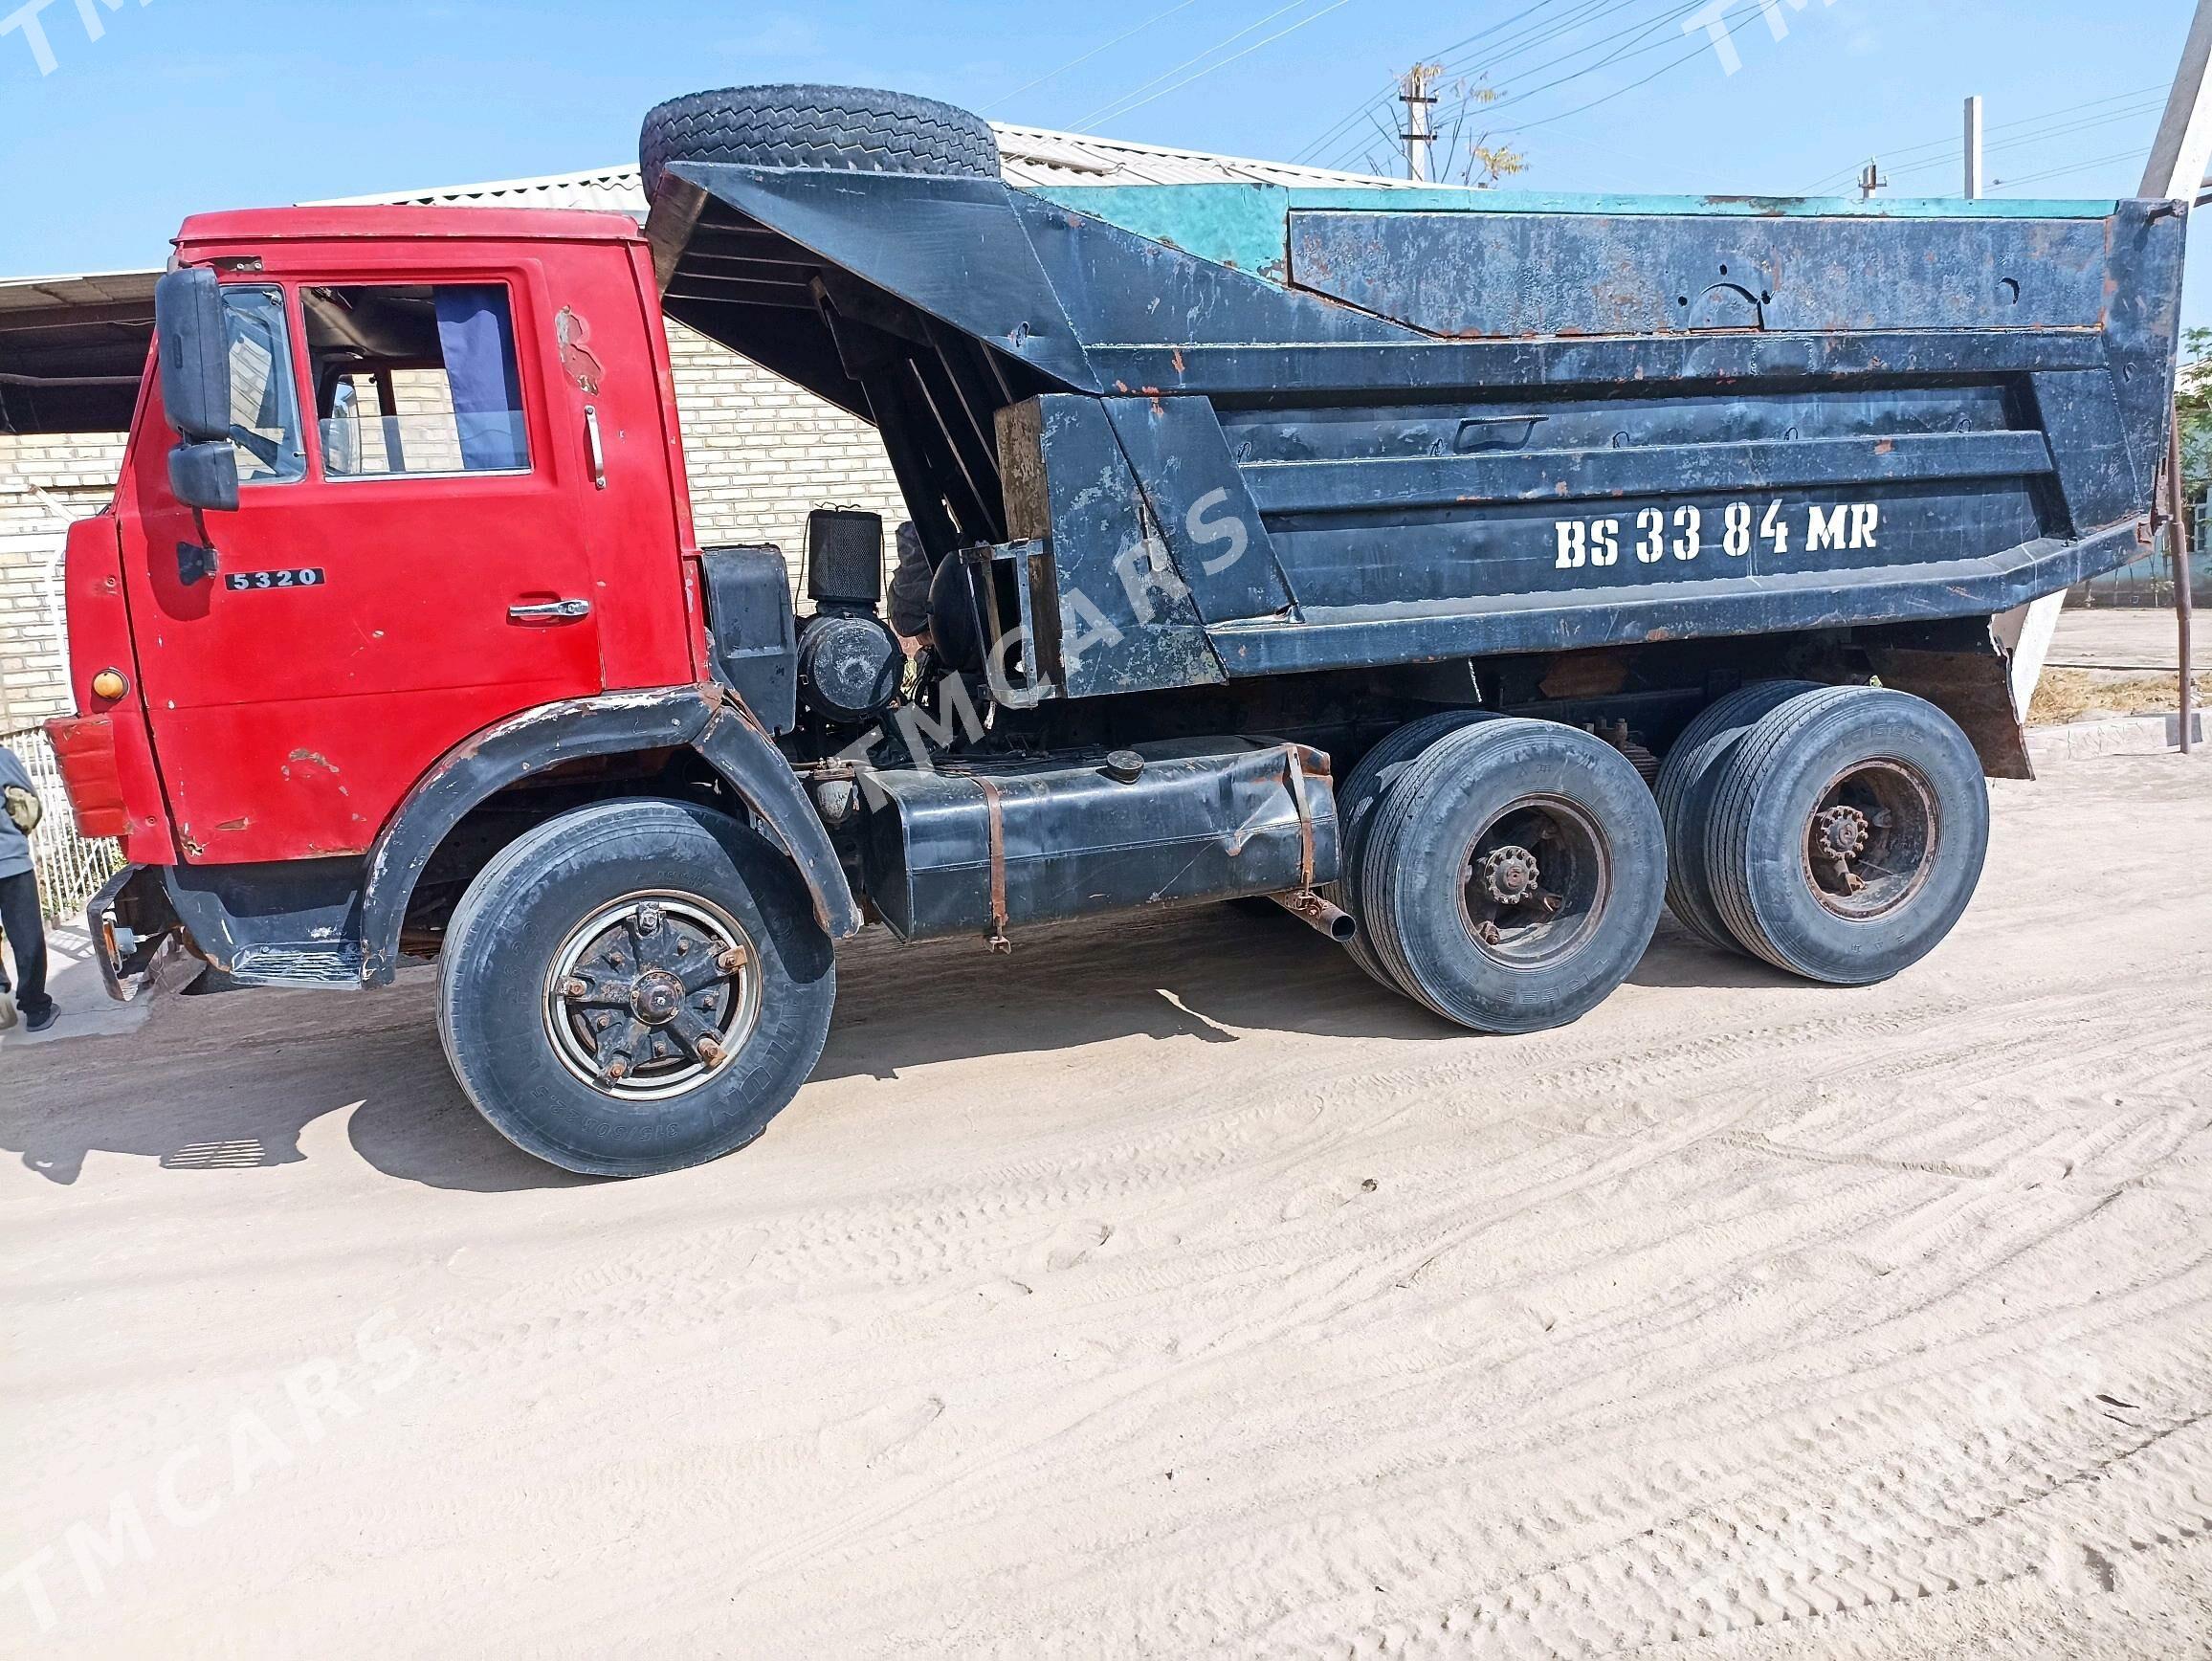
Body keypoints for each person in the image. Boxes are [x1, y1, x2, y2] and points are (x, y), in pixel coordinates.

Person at [0, 741, 55, 1034]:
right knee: (27, 938)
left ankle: (1, 1008)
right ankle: (35, 1009)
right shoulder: (2, 757)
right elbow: (29, 805)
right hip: (10, 862)